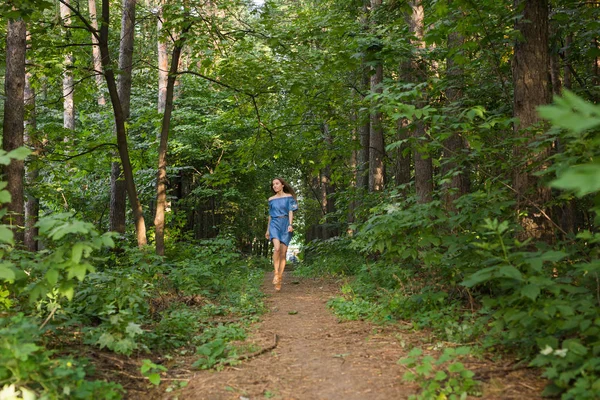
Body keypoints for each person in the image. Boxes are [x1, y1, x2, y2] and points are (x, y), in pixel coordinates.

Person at [265, 178, 298, 291]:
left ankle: (279, 277)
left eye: (277, 183)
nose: (274, 186)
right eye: (273, 184)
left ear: (282, 185)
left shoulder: (289, 197)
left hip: (285, 224)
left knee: (283, 253)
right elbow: (270, 215)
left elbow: (290, 211)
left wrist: (290, 224)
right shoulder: (271, 199)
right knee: (277, 249)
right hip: (274, 224)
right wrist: (268, 230)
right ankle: (275, 272)